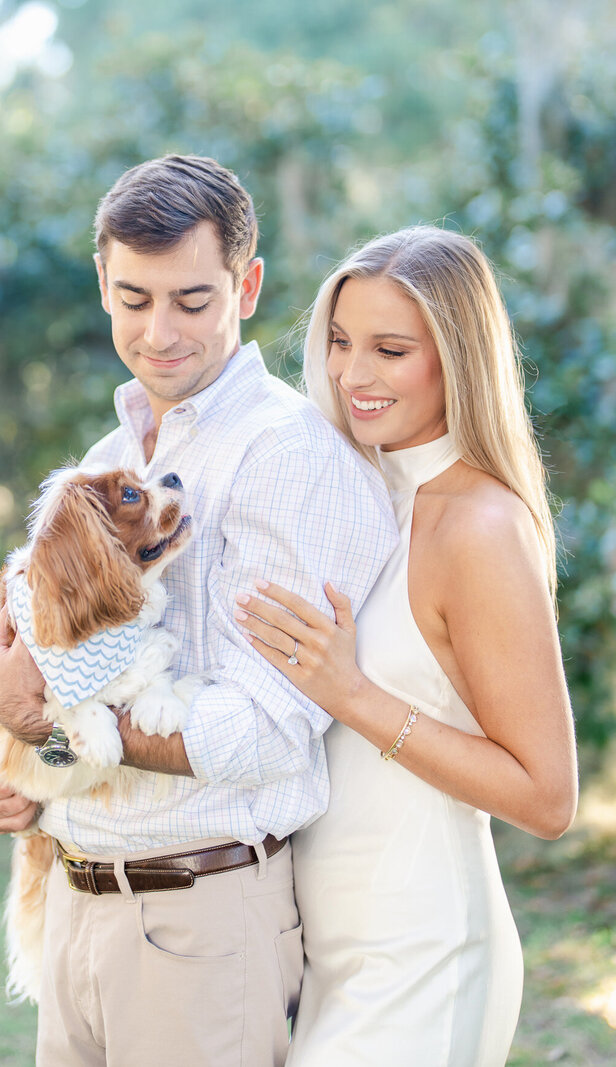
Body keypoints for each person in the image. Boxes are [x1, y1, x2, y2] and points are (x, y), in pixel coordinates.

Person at [0, 155, 398, 1066]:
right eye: (134, 298)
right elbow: (13, 663)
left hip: (199, 923)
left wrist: (46, 719)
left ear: (247, 286)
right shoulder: (110, 458)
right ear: (102, 285)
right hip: (70, 900)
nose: (160, 331)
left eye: (192, 299)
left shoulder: (287, 456)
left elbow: (265, 730)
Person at [234, 225, 579, 1066]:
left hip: (425, 952)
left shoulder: (481, 526)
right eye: (342, 342)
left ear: (457, 358)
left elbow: (547, 797)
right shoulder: (351, 491)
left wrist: (353, 693)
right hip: (324, 948)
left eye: (391, 349)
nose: (355, 375)